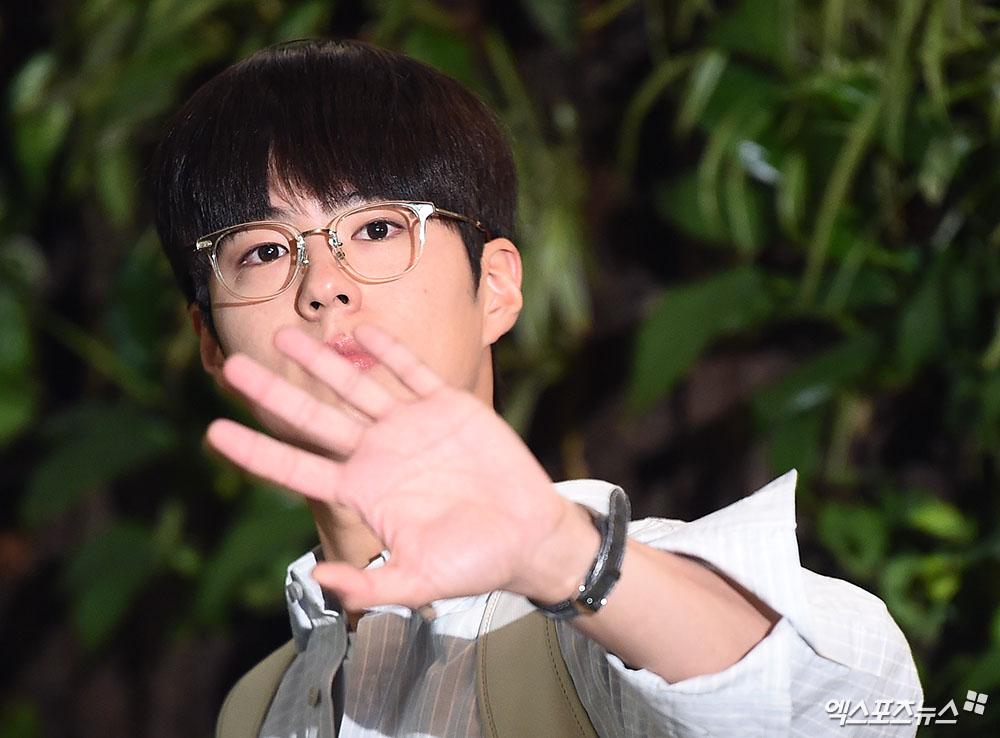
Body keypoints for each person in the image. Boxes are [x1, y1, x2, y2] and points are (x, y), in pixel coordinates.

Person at [150, 38, 922, 737]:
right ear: (210, 342)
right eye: (260, 251)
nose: (323, 284)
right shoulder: (257, 708)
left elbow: (854, 706)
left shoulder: (603, 618)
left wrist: (562, 559)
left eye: (377, 229)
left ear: (496, 287)